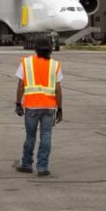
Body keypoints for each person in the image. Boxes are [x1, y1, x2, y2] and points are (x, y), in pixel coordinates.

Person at [14, 36, 63, 176]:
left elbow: (21, 85)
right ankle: (42, 167)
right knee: (46, 136)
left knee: (30, 137)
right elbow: (58, 89)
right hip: (49, 107)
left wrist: (18, 103)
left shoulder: (26, 62)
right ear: (50, 48)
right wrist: (60, 108)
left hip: (31, 106)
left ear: (35, 48)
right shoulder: (55, 65)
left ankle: (27, 164)